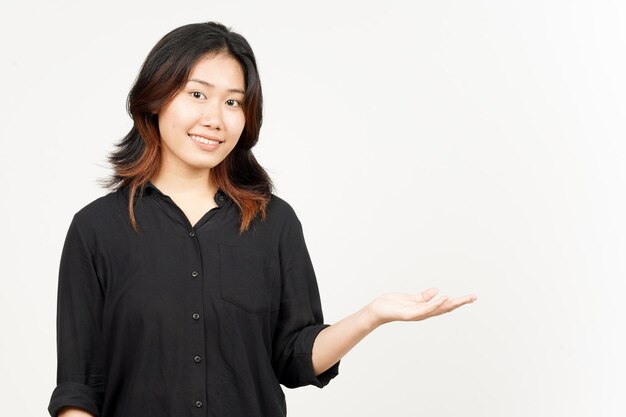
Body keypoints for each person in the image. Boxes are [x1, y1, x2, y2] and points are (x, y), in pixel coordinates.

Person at [47, 21, 477, 417]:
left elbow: (293, 357)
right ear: (156, 98)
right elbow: (79, 386)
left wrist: (372, 315)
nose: (214, 119)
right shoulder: (96, 229)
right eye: (197, 94)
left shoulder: (275, 224)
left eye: (233, 102)